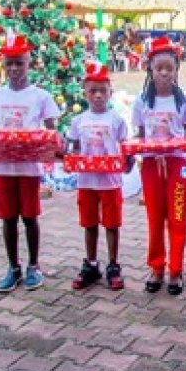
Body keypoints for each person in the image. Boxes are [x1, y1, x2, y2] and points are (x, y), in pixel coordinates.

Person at [0, 32, 60, 293]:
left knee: (30, 217)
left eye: (19, 63)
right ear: (3, 64)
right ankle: (13, 267)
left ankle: (33, 266)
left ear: (29, 63)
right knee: (8, 218)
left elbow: (51, 133)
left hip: (29, 168)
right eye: (10, 63)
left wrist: (58, 150)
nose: (14, 69)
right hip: (2, 167)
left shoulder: (41, 97)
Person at [132, 37, 186, 295]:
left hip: (177, 168)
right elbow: (139, 135)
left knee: (177, 217)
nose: (165, 73)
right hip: (151, 168)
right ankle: (156, 267)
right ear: (150, 69)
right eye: (160, 68)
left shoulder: (184, 102)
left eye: (170, 68)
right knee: (155, 218)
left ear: (177, 69)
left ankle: (176, 270)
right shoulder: (142, 102)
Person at [68, 62, 130, 290]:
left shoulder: (117, 120)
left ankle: (113, 265)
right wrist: (71, 159)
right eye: (92, 91)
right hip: (87, 181)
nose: (97, 96)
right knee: (89, 223)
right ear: (84, 92)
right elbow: (74, 148)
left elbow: (125, 147)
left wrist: (127, 161)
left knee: (112, 224)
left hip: (110, 182)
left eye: (102, 90)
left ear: (110, 92)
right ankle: (91, 264)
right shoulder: (78, 121)